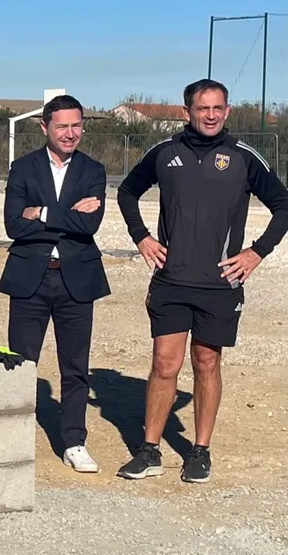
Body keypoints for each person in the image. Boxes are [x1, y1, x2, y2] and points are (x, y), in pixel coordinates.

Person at [115, 78, 288, 483]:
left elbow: (283, 204)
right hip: (172, 279)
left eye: (217, 108)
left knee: (206, 362)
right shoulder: (164, 152)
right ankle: (150, 450)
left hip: (220, 283)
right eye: (202, 108)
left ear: (227, 111)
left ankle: (200, 451)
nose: (210, 115)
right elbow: (126, 192)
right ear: (186, 112)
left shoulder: (243, 156)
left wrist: (257, 252)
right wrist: (142, 237)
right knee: (164, 363)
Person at [0, 94, 110, 473]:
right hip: (30, 278)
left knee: (75, 367)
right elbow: (13, 224)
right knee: (19, 363)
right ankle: (12, 436)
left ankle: (74, 442)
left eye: (76, 125)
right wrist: (64, 215)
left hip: (76, 279)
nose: (70, 133)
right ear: (45, 127)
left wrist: (41, 212)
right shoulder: (22, 168)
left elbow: (89, 225)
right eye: (62, 126)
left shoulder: (93, 171)